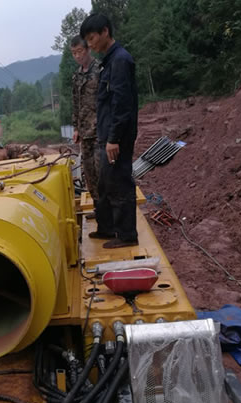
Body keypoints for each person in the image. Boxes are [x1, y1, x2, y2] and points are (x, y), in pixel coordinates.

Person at [80, 13, 139, 249]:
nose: (90, 44)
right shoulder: (109, 61)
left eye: (92, 38)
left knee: (119, 182)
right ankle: (107, 228)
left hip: (117, 137)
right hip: (107, 135)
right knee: (104, 182)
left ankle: (126, 235)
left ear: (105, 32)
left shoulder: (120, 61)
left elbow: (121, 105)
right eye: (87, 40)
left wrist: (113, 138)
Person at [70, 35, 100, 219]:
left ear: (88, 49)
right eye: (74, 53)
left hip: (100, 131)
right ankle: (99, 210)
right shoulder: (76, 76)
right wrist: (76, 128)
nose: (77, 56)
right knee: (89, 175)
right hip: (84, 133)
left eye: (80, 51)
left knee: (102, 172)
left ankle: (111, 212)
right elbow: (75, 103)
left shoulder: (100, 69)